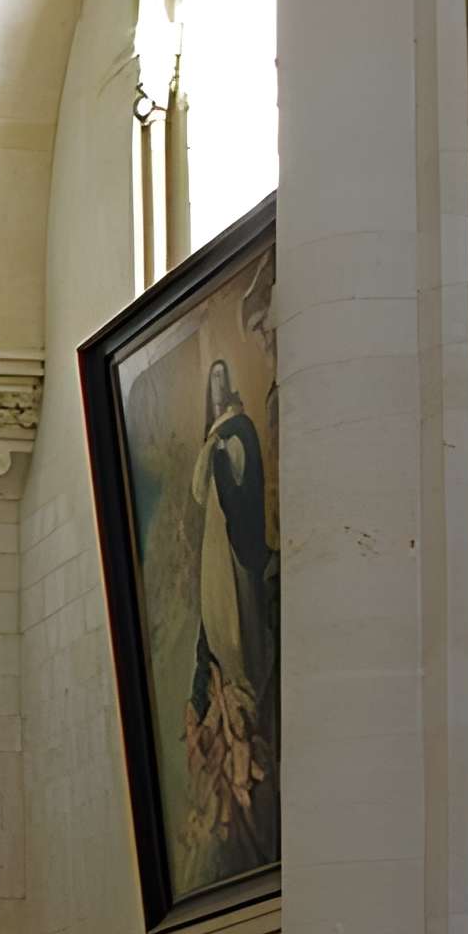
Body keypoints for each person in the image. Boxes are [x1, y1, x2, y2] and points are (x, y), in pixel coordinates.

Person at [183, 357, 277, 869]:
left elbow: (245, 476)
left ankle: (244, 666)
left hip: (234, 535)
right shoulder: (214, 434)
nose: (218, 388)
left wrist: (226, 455)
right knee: (216, 603)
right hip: (214, 538)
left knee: (237, 602)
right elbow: (200, 491)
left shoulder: (238, 426)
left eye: (222, 379)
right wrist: (212, 454)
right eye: (211, 381)